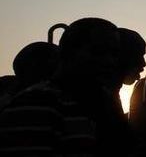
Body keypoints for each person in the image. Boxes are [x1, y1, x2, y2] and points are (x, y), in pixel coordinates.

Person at [0, 18, 131, 155]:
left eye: (114, 54)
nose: (109, 61)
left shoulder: (104, 101)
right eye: (98, 52)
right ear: (68, 52)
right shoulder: (36, 101)